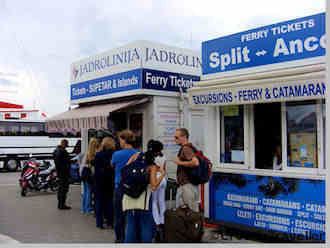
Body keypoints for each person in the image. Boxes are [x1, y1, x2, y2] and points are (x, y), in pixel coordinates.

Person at [123, 141, 166, 243]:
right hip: (144, 201)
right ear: (157, 153)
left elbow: (126, 169)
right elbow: (154, 186)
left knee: (131, 224)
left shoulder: (136, 155)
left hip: (128, 196)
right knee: (145, 225)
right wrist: (163, 174)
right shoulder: (152, 166)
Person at [111, 130, 138, 243]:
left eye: (120, 140)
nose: (119, 142)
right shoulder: (137, 153)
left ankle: (119, 238)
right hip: (134, 187)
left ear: (123, 140)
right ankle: (131, 237)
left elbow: (112, 165)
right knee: (132, 214)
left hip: (120, 186)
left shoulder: (117, 154)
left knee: (119, 215)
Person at [174, 128, 200, 212]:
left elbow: (195, 162)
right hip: (188, 184)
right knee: (187, 212)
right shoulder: (189, 147)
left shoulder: (186, 149)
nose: (174, 140)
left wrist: (179, 162)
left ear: (184, 137)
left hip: (188, 185)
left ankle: (194, 225)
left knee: (190, 212)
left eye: (176, 137)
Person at [94, 137, 116, 229]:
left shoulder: (98, 155)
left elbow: (96, 169)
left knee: (99, 202)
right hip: (110, 180)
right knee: (109, 202)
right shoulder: (114, 154)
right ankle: (110, 222)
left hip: (99, 181)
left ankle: (99, 223)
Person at [149, 140, 167, 242]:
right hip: (163, 179)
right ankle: (163, 220)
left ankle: (157, 222)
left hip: (155, 179)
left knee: (154, 202)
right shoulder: (163, 156)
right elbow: (164, 169)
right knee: (162, 201)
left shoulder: (152, 157)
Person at [80, 138, 100, 214]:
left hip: (84, 173)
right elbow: (93, 167)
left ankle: (83, 208)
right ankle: (88, 208)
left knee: (85, 192)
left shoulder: (87, 153)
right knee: (89, 191)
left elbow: (82, 165)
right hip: (89, 174)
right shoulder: (95, 153)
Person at [53, 139, 71, 210]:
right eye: (66, 145)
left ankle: (60, 204)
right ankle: (62, 204)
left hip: (60, 173)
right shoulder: (62, 151)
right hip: (64, 173)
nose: (67, 146)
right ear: (65, 144)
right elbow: (64, 163)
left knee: (61, 188)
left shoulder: (56, 150)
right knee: (64, 189)